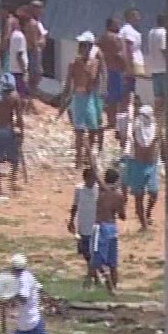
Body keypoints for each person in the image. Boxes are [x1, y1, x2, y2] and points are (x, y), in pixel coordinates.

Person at [64, 32, 105, 170]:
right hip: (78, 97)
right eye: (80, 45)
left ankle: (88, 156)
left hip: (90, 98)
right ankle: (79, 160)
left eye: (84, 45)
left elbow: (94, 79)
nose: (80, 48)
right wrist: (64, 98)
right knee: (79, 131)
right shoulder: (73, 63)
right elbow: (69, 82)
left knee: (93, 129)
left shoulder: (95, 63)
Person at [125, 104, 161, 229]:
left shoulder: (155, 128)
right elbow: (140, 143)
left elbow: (158, 142)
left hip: (152, 164)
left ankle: (148, 212)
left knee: (154, 193)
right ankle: (144, 224)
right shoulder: (135, 128)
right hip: (138, 165)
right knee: (139, 196)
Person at [93, 168, 127, 294]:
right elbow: (122, 216)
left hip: (101, 226)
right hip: (112, 227)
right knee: (113, 262)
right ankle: (114, 288)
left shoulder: (102, 191)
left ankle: (109, 285)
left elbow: (95, 174)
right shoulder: (118, 196)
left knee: (98, 259)